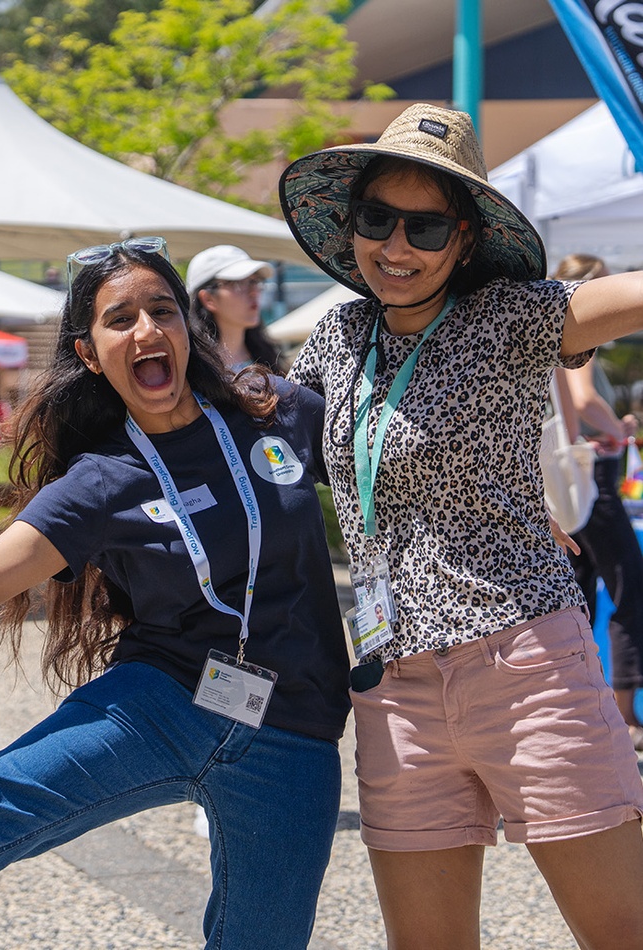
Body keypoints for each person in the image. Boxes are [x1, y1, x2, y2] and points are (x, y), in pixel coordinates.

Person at [0, 238, 351, 949]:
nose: (145, 330)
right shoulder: (98, 483)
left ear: (186, 327)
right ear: (87, 352)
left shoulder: (274, 411)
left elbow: (393, 470)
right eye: (119, 319)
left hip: (294, 731)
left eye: (161, 310)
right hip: (162, 704)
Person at [279, 102, 643, 950]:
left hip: (523, 665)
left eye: (426, 227)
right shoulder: (336, 337)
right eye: (378, 220)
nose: (396, 247)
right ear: (351, 223)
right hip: (390, 687)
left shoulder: (514, 317)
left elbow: (627, 296)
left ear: (466, 241)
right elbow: (262, 445)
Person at [553, 253, 643, 748]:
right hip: (590, 480)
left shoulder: (555, 329)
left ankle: (582, 708)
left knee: (579, 597)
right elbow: (583, 399)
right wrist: (620, 430)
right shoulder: (576, 326)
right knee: (630, 587)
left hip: (576, 480)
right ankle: (624, 713)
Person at [186, 244, 287, 373]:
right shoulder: (190, 367)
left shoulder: (271, 358)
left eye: (254, 281)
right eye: (238, 283)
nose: (254, 292)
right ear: (208, 299)